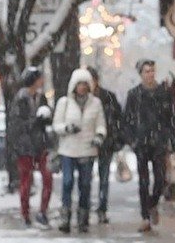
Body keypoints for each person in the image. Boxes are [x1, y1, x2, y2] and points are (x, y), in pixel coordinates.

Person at [52, 67, 106, 233]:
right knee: (67, 182)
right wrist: (67, 128)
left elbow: (101, 124)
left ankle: (83, 218)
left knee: (85, 184)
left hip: (87, 150)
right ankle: (65, 216)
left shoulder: (95, 103)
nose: (82, 87)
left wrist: (99, 136)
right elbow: (57, 124)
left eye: (85, 84)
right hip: (68, 150)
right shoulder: (64, 103)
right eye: (79, 84)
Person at [123, 59, 173, 233]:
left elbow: (170, 118)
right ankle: (145, 216)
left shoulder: (164, 92)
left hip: (158, 142)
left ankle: (153, 204)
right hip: (142, 143)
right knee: (143, 181)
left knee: (160, 179)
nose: (150, 74)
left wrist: (167, 137)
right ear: (141, 74)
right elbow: (127, 120)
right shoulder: (134, 94)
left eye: (152, 71)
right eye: (146, 71)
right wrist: (132, 140)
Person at [9, 66, 53, 228]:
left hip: (41, 144)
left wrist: (46, 119)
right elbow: (18, 125)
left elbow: (47, 119)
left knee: (47, 178)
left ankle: (43, 211)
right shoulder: (20, 99)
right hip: (25, 146)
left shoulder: (41, 98)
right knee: (26, 181)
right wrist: (36, 121)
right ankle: (25, 213)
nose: (42, 81)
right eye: (40, 78)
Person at [87, 67, 124, 224]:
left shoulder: (108, 97)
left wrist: (116, 139)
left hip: (105, 142)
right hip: (87, 143)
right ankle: (86, 207)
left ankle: (102, 208)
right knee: (85, 178)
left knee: (103, 177)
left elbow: (117, 119)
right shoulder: (81, 98)